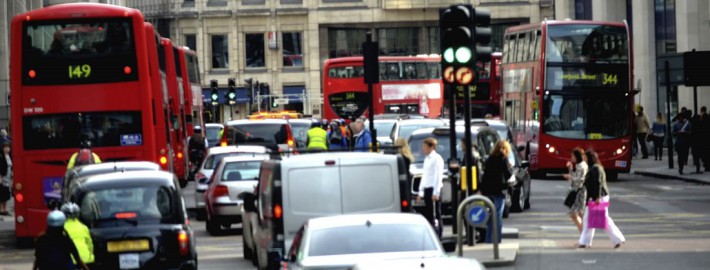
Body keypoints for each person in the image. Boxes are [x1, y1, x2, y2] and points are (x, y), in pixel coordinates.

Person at [578, 149, 625, 249]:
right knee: (591, 220)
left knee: (602, 220)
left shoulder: (596, 168)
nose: (583, 159)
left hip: (599, 197)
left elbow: (598, 183)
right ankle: (585, 242)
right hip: (595, 197)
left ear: (590, 158)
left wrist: (598, 197)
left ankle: (586, 242)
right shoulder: (593, 167)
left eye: (585, 157)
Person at [480, 140, 513, 244]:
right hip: (499, 191)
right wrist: (510, 168)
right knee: (498, 217)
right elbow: (508, 175)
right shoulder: (503, 159)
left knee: (490, 217)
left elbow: (485, 176)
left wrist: (482, 190)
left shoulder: (489, 159)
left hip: (488, 191)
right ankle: (496, 240)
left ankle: (488, 239)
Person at [417, 137, 444, 238]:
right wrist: (421, 192)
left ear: (432, 146)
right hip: (428, 189)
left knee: (436, 214)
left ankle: (438, 235)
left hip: (434, 189)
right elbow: (425, 176)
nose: (423, 149)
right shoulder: (427, 159)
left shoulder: (437, 159)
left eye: (425, 146)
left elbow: (438, 176)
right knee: (428, 214)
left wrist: (436, 193)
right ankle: (432, 234)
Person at [60, 203, 94, 268]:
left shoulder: (62, 229)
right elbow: (90, 245)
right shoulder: (84, 227)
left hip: (70, 261)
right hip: (86, 259)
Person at [563, 147, 588, 233]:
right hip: (577, 191)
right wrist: (570, 168)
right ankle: (583, 235)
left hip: (580, 192)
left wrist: (570, 177)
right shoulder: (578, 165)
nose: (571, 158)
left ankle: (583, 234)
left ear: (577, 156)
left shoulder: (582, 166)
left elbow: (581, 179)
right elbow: (574, 177)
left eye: (573, 156)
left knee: (575, 213)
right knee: (579, 213)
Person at [0, 142, 12, 216]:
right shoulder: (1, 156)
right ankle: (1, 209)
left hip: (8, 177)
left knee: (7, 193)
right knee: (1, 193)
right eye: (5, 147)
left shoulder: (10, 156)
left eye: (8, 147)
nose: (7, 149)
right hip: (2, 177)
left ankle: (5, 209)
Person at [699, 106, 710, 172]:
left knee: (704, 153)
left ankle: (706, 165)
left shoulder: (702, 118)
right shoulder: (708, 117)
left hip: (704, 139)